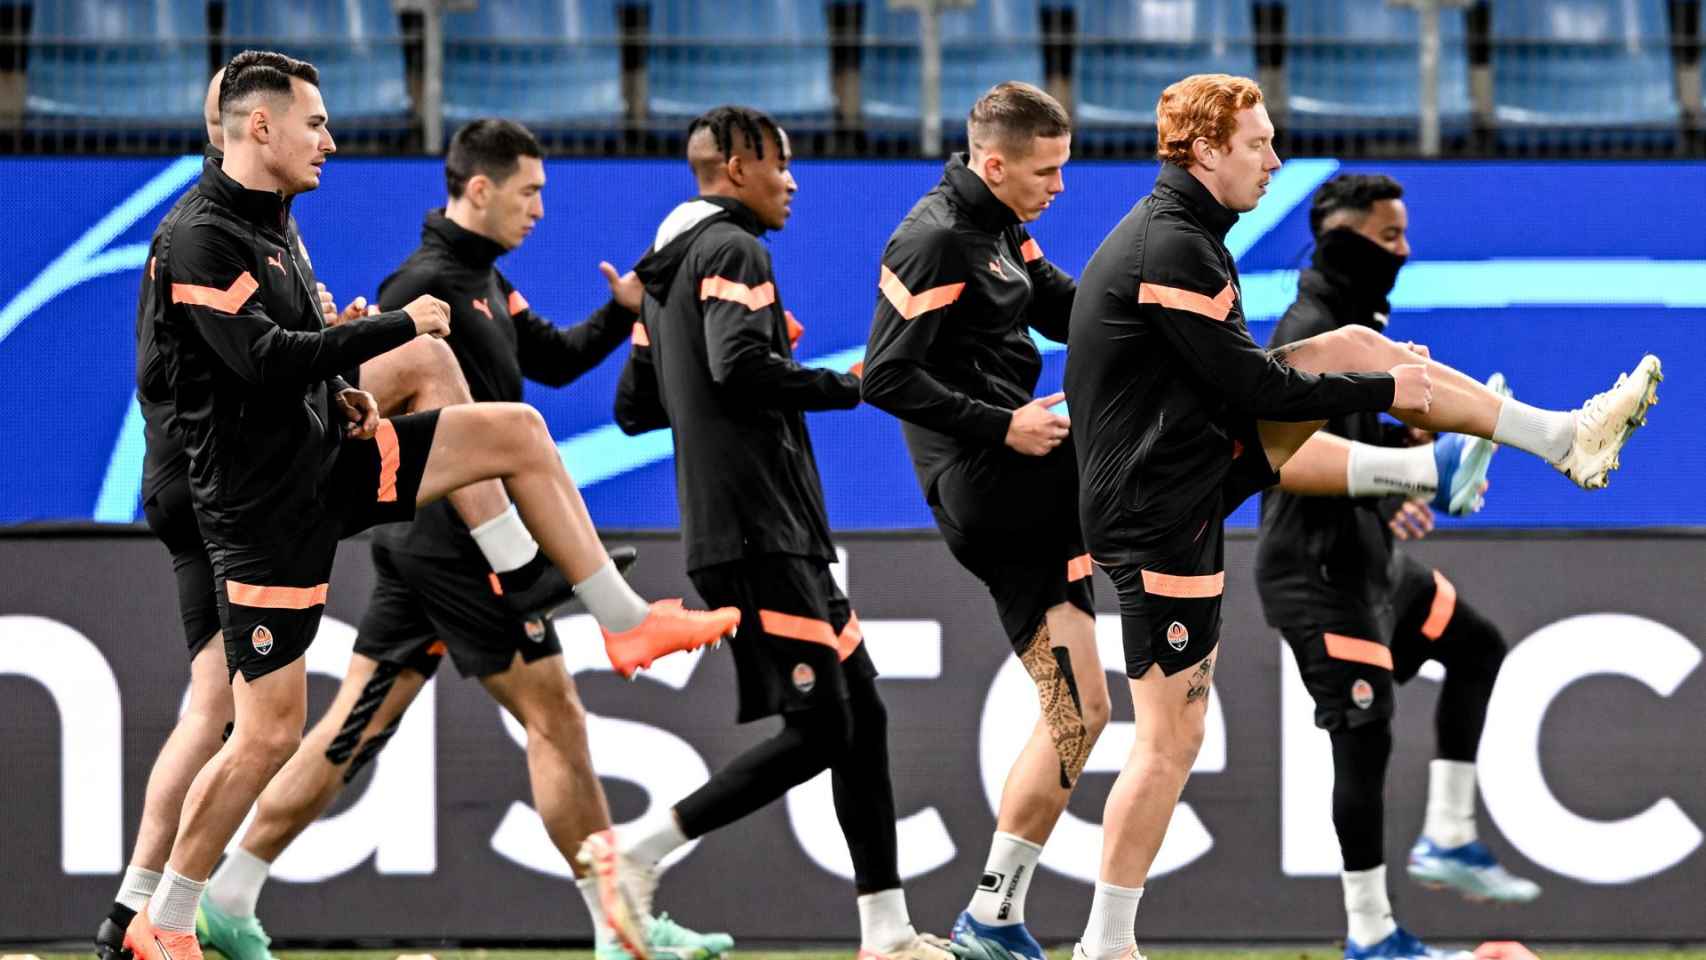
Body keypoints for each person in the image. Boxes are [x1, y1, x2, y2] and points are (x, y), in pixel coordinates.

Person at [123, 51, 739, 960]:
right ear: (259, 126)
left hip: (342, 477)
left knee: (331, 719)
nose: (331, 139)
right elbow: (258, 362)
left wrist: (347, 387)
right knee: (289, 728)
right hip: (318, 514)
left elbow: (538, 360)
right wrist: (385, 333)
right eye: (315, 122)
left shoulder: (316, 234)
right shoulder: (258, 247)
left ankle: (620, 619)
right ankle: (164, 917)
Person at [1063, 73, 1659, 960]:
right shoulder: (1175, 245)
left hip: (1179, 465)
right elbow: (1255, 387)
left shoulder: (1189, 235)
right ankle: (1105, 946)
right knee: (1168, 739)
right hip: (1160, 507)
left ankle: (1561, 435)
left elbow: (1242, 384)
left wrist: (1381, 382)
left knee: (1354, 345)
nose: (1275, 157)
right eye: (1258, 142)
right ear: (1203, 150)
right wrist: (1390, 389)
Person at [611, 105, 952, 960]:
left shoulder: (669, 267)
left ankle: (886, 934)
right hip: (760, 530)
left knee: (861, 715)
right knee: (825, 729)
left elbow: (633, 408)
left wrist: (702, 345)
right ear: (733, 170)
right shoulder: (733, 249)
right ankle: (638, 856)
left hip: (762, 529)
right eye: (781, 164)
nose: (794, 180)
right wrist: (846, 382)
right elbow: (737, 365)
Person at [1256, 173, 1540, 960]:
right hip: (1313, 569)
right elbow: (1288, 456)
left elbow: (1357, 440)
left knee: (1477, 642)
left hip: (1368, 554)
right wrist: (1412, 475)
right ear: (1343, 239)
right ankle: (1370, 934)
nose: (1405, 252)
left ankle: (1449, 837)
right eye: (1389, 238)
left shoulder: (1352, 325)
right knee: (1366, 732)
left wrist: (1398, 470)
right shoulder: (1308, 329)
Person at [861, 81, 1106, 960]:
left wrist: (1149, 313)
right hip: (992, 479)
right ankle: (1402, 466)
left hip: (1025, 478)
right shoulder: (932, 239)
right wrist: (1003, 423)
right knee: (1177, 440)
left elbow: (1063, 305)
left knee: (1081, 714)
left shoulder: (999, 224)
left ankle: (990, 919)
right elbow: (881, 377)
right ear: (993, 162)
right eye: (1046, 171)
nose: (1060, 186)